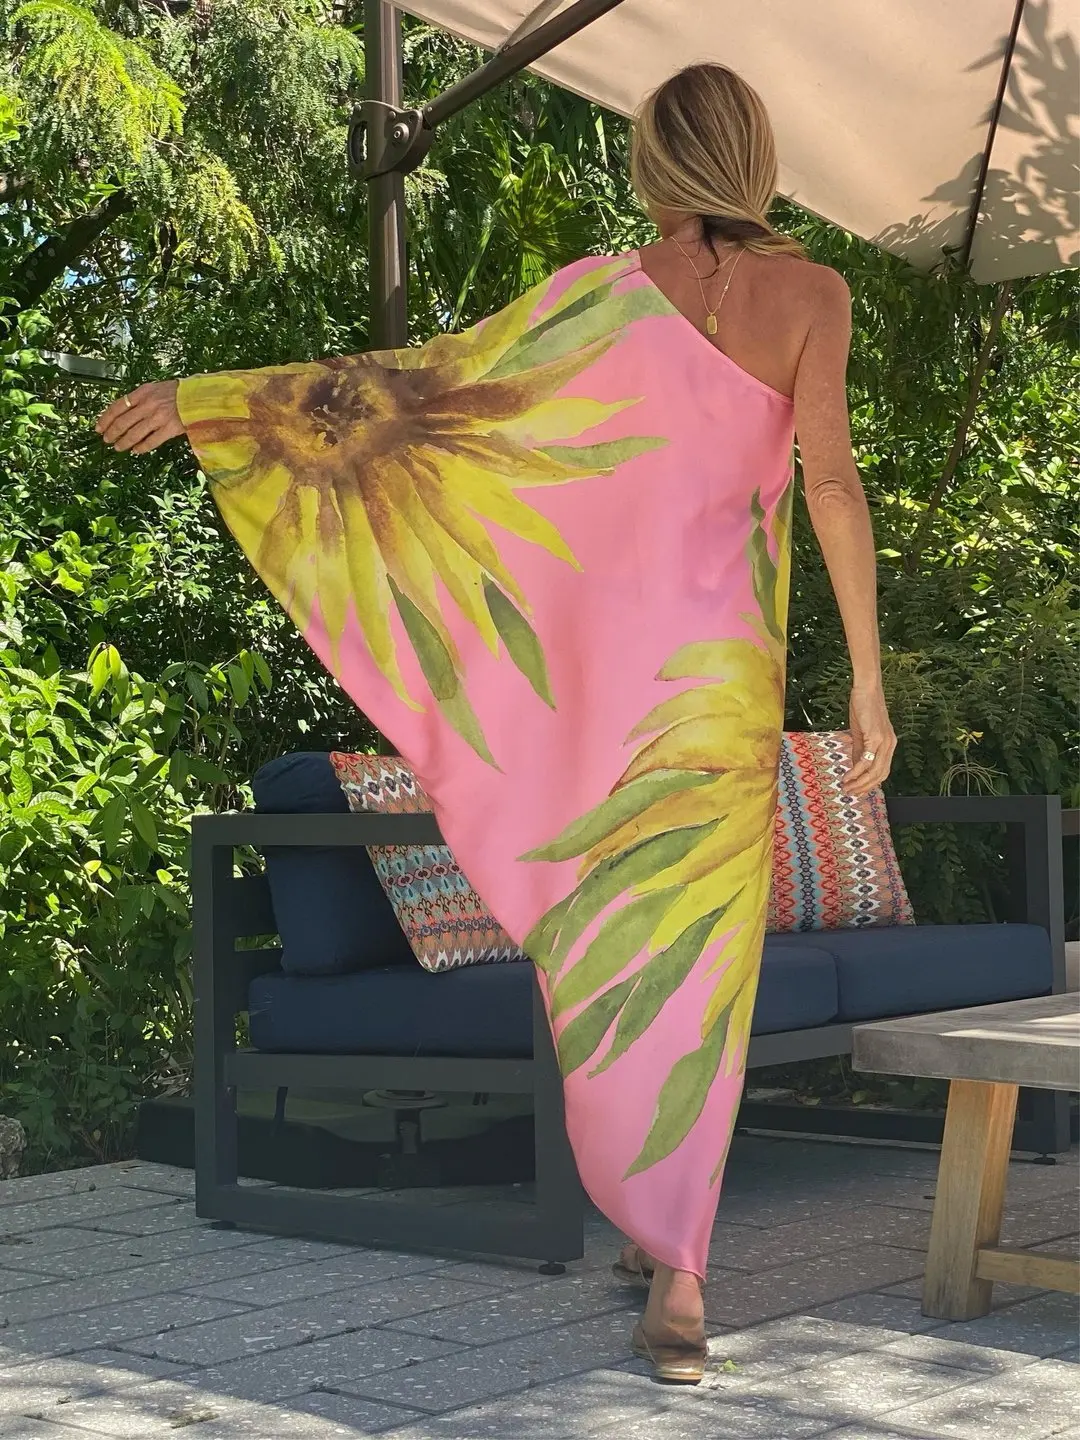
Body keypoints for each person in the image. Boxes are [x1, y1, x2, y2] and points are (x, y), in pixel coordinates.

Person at [98, 62, 896, 1384]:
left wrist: (216, 404)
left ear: (655, 165)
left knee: (608, 937)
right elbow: (835, 487)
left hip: (606, 686)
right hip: (719, 690)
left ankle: (665, 1230)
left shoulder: (600, 296)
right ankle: (678, 1269)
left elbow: (423, 398)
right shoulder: (813, 294)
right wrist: (865, 677)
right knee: (699, 958)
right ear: (755, 159)